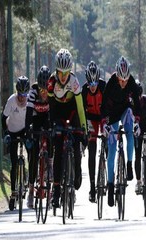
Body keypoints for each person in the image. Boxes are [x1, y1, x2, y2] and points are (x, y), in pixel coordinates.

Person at [47, 49, 87, 208]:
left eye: (66, 73)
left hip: (72, 111)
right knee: (58, 150)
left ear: (70, 71)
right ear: (56, 70)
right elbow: (50, 106)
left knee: (76, 145)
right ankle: (56, 191)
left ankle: (76, 174)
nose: (63, 77)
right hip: (57, 112)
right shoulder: (51, 81)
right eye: (60, 73)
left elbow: (80, 107)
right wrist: (51, 126)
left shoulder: (74, 82)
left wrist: (83, 128)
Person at [101, 56, 141, 207]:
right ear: (117, 76)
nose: (124, 83)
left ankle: (129, 164)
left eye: (126, 80)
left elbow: (137, 103)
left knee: (130, 130)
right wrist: (104, 122)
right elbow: (103, 105)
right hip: (112, 114)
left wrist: (137, 121)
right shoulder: (111, 82)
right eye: (121, 80)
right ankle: (110, 186)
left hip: (125, 110)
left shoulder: (131, 82)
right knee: (111, 152)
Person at [25, 65, 52, 209]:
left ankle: (51, 165)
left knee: (53, 135)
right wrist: (28, 130)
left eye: (46, 91)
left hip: (47, 117)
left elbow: (54, 112)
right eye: (42, 90)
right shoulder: (33, 91)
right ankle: (30, 190)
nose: (44, 94)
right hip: (35, 118)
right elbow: (29, 112)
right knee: (34, 155)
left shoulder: (52, 91)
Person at [1, 76, 30, 211]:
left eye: (24, 94)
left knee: (31, 151)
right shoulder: (11, 101)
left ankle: (30, 180)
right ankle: (13, 193)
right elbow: (3, 117)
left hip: (24, 130)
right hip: (12, 131)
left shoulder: (30, 100)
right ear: (17, 92)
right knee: (13, 163)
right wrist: (5, 133)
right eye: (20, 94)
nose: (22, 98)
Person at [82, 61, 106, 203]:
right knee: (92, 151)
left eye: (95, 84)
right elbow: (82, 112)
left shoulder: (103, 86)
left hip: (103, 118)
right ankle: (92, 187)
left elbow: (110, 104)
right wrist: (85, 130)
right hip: (91, 119)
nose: (92, 87)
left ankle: (107, 176)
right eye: (90, 84)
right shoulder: (84, 90)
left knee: (109, 142)